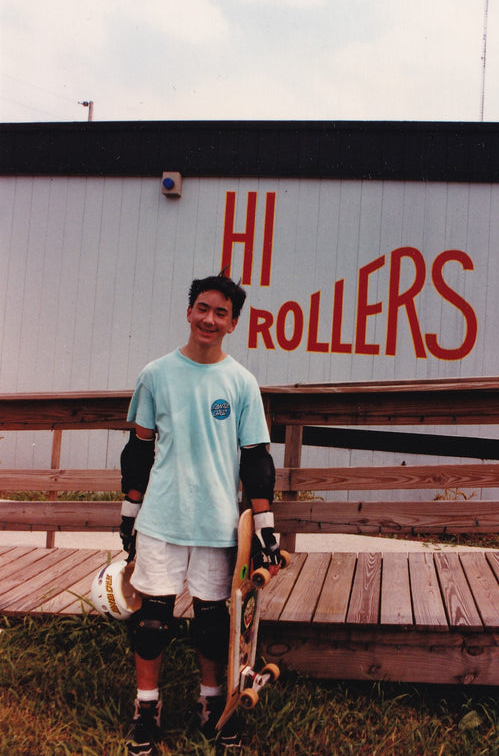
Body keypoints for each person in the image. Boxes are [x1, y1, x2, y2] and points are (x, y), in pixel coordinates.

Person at [119, 272, 281, 755]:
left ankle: (214, 705)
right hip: (161, 520)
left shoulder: (241, 382)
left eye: (221, 313)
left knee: (213, 625)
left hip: (216, 523)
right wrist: (129, 513)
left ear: (233, 323)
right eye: (203, 308)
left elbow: (256, 460)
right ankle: (146, 709)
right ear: (189, 312)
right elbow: (138, 449)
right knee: (152, 621)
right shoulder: (155, 375)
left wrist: (266, 529)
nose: (209, 319)